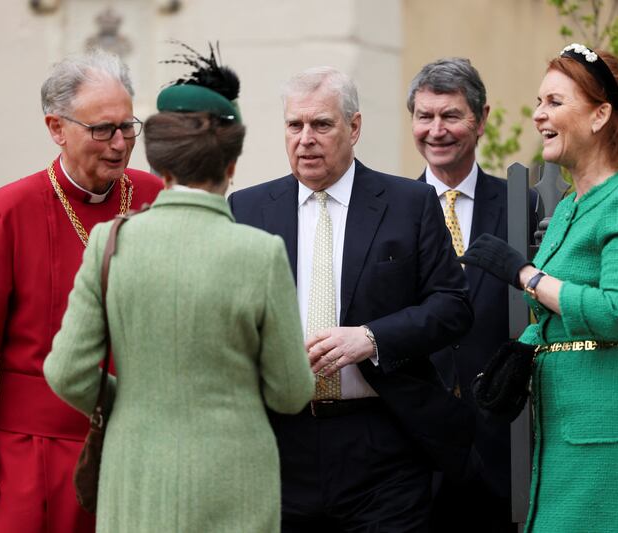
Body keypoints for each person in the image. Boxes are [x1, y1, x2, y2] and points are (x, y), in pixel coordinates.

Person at [44, 48, 315, 532]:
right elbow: (291, 392)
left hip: (136, 476)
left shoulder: (111, 241)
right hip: (236, 478)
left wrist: (131, 396)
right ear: (231, 164)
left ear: (159, 165)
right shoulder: (261, 252)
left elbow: (66, 372)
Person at [228, 66, 474, 532]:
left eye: (321, 125)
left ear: (354, 127)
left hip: (383, 441)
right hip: (282, 443)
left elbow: (453, 306)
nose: (306, 139)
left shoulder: (410, 203)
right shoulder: (248, 210)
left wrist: (372, 338)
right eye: (294, 125)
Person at [0, 50, 163, 532]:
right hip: (34, 458)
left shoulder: (154, 198)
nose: (119, 144)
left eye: (127, 127)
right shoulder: (6, 213)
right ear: (56, 128)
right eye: (102, 129)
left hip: (140, 453)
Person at [463, 43, 618, 532]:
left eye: (555, 102)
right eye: (539, 102)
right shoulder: (567, 205)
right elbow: (557, 318)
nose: (539, 115)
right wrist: (515, 357)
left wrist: (525, 275)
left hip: (617, 436)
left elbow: (617, 312)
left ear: (601, 114)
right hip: (568, 430)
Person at [408, 57, 537, 532]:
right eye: (425, 116)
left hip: (505, 442)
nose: (436, 130)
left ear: (481, 120)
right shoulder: (391, 208)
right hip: (418, 452)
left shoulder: (526, 205)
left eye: (451, 116)